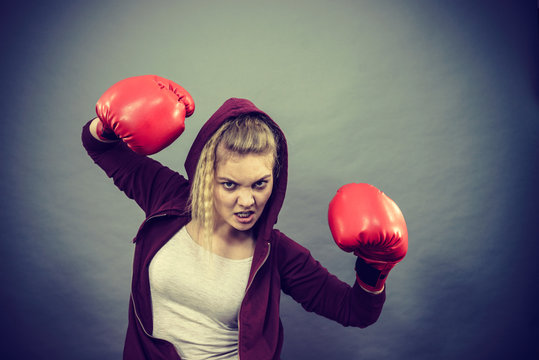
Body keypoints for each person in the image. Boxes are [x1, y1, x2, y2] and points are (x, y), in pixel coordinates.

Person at [82, 75, 408, 360]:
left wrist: (374, 266)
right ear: (206, 177)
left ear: (275, 180)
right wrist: (108, 122)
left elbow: (355, 311)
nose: (247, 201)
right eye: (229, 184)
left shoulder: (278, 254)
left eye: (260, 184)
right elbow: (101, 147)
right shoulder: (167, 196)